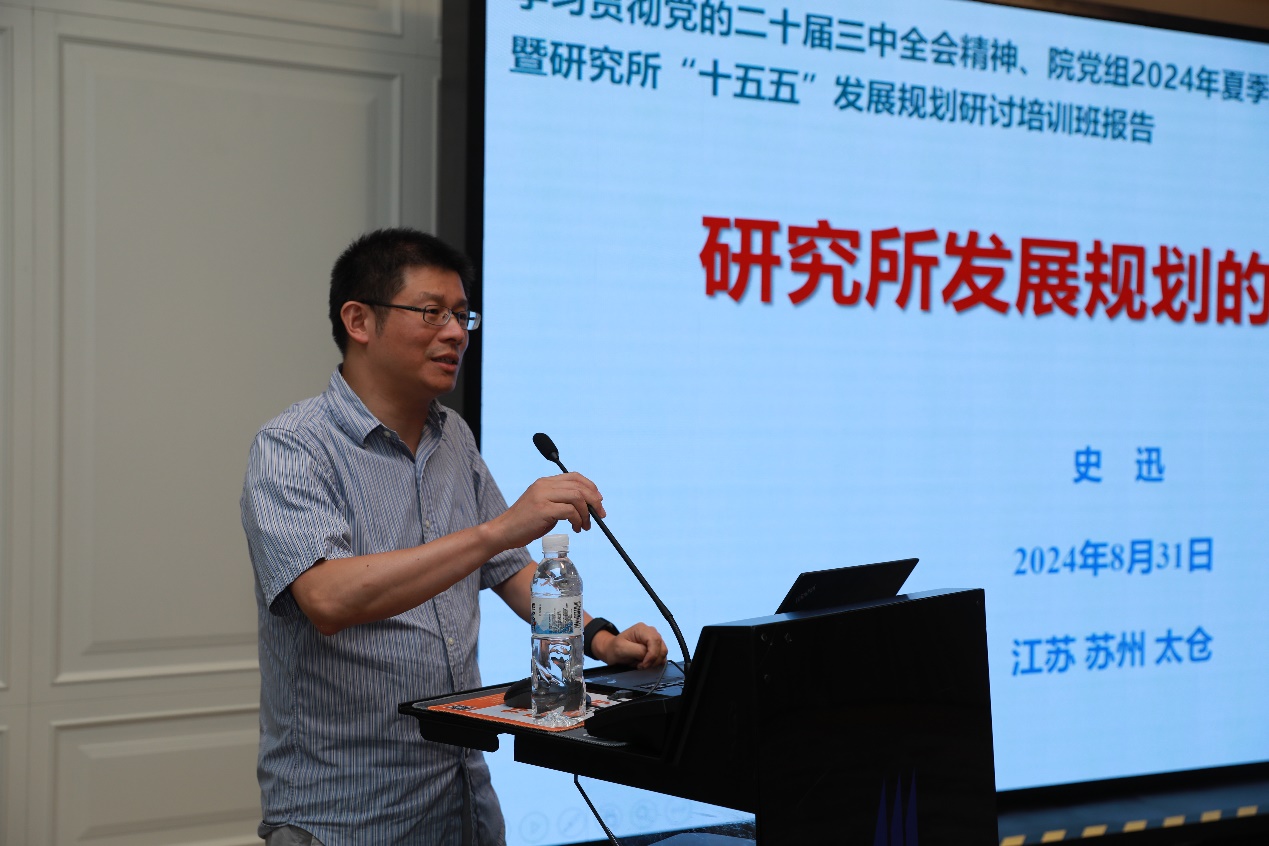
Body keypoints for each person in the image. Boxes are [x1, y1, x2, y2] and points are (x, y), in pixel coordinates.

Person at [240, 228, 668, 846]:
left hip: (460, 791)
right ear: (359, 321)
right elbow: (328, 599)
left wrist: (599, 638)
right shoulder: (293, 446)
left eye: (463, 316)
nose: (456, 333)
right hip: (343, 811)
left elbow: (509, 569)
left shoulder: (453, 438)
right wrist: (499, 529)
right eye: (431, 312)